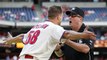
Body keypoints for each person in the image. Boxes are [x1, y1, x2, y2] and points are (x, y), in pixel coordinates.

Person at [4, 6, 96, 60]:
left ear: (81, 18)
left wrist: (11, 40)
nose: (69, 18)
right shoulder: (56, 29)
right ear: (59, 17)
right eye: (68, 15)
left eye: (73, 15)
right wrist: (83, 35)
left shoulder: (39, 26)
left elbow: (22, 37)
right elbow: (67, 35)